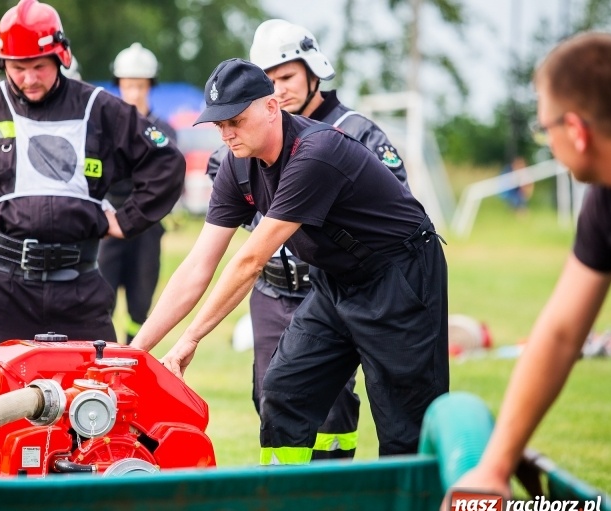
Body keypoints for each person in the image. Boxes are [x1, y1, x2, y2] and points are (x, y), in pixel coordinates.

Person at [131, 58, 449, 463]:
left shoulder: (316, 152)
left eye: (236, 120)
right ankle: (283, 510)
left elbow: (249, 260)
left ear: (270, 107)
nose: (227, 134)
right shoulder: (236, 165)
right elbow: (199, 264)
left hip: (399, 277)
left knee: (404, 423)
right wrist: (136, 353)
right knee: (283, 390)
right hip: (335, 280)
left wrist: (190, 339)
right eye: (219, 124)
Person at [0, 0, 185, 413]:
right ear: (3, 63)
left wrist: (127, 219)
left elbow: (166, 160)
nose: (28, 79)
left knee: (97, 399)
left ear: (60, 56)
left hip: (79, 289)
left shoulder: (99, 108)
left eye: (39, 66)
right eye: (17, 67)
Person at [207, 19, 411, 460]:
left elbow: (395, 210)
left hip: (333, 285)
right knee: (274, 393)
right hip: (269, 286)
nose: (278, 90)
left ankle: (333, 490)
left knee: (337, 407)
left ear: (313, 71)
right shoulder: (239, 138)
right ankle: (283, 504)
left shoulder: (355, 132)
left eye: (286, 77)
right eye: (269, 80)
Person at [441, 32, 611, 511]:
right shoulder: (605, 201)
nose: (548, 144)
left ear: (576, 131)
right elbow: (561, 332)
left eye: (545, 131)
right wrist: (494, 469)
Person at [98, 42, 177, 344]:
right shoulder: (103, 128)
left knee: (140, 305)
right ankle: (101, 360)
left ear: (150, 86)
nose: (134, 93)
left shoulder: (163, 131)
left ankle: (132, 357)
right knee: (101, 299)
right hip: (108, 224)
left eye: (140, 86)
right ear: (119, 86)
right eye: (128, 86)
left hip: (147, 226)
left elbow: (165, 179)